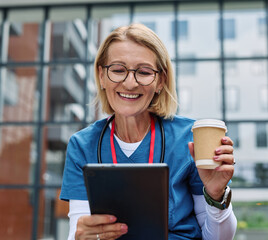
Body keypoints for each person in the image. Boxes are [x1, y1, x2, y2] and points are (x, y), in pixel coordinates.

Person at [60, 23, 237, 240]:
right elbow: (77, 232)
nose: (130, 83)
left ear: (160, 81)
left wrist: (216, 193)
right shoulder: (82, 145)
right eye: (117, 70)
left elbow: (220, 238)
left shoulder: (189, 138)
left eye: (144, 72)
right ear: (102, 76)